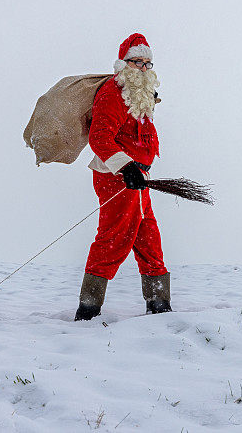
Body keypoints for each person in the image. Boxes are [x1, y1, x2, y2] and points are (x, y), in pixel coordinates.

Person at [74, 33, 171, 321]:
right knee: (114, 239)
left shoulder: (141, 98)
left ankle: (159, 306)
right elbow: (100, 137)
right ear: (123, 64)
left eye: (147, 64)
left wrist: (139, 168)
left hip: (139, 180)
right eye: (137, 62)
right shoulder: (112, 93)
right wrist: (125, 167)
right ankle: (88, 310)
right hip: (116, 177)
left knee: (149, 239)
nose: (143, 68)